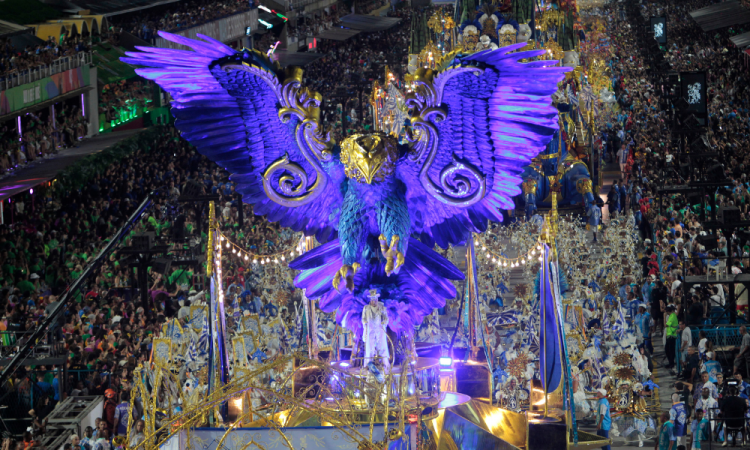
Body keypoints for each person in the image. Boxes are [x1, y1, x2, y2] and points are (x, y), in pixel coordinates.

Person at [666, 305, 679, 369]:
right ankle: (670, 363)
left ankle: (671, 364)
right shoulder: (672, 315)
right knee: (667, 350)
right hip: (669, 335)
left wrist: (664, 317)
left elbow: (667, 324)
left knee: (671, 351)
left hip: (672, 335)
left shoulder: (672, 316)